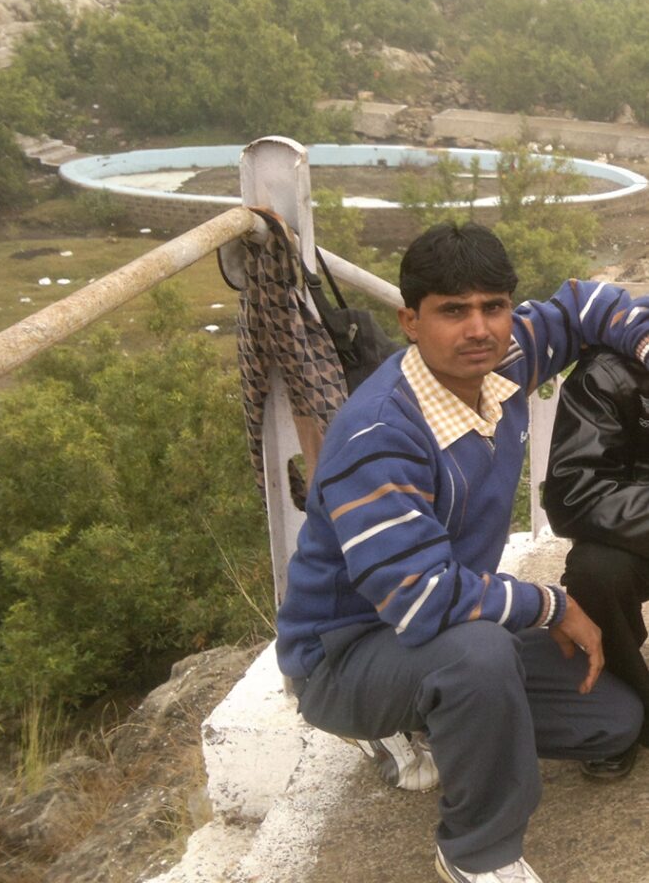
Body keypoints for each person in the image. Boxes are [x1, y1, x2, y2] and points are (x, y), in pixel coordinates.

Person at [276, 223, 646, 883]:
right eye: (453, 311)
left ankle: (429, 714)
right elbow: (420, 598)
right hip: (345, 652)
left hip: (442, 624)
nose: (478, 329)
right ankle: (478, 853)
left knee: (613, 721)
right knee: (477, 655)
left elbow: (584, 305)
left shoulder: (503, 361)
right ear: (410, 321)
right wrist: (550, 605)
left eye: (493, 306)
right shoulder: (380, 435)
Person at [544, 345, 649, 751]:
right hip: (635, 532)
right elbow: (574, 491)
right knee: (595, 572)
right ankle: (628, 709)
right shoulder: (605, 373)